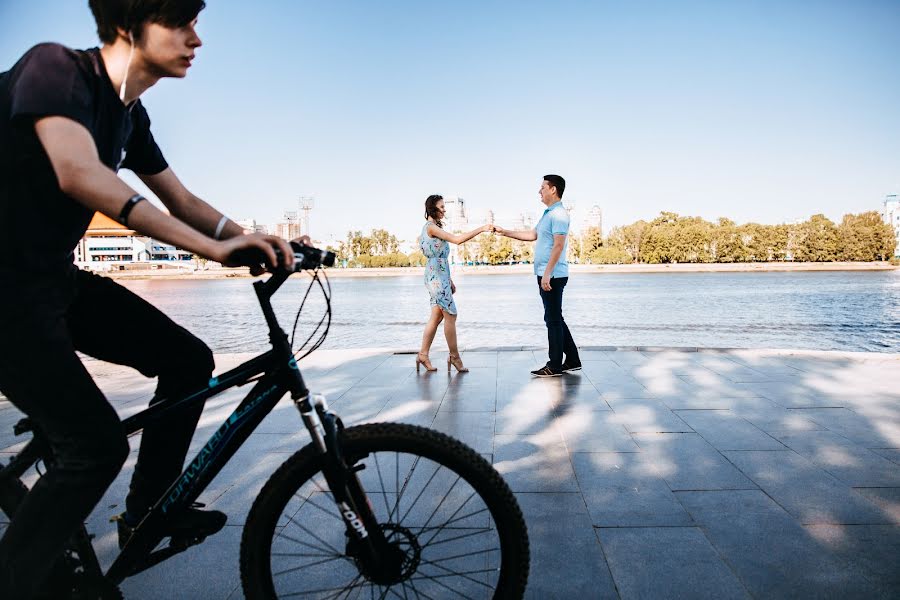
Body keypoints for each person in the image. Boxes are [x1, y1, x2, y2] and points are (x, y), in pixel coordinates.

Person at [0, 2, 300, 596]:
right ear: (129, 24)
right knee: (93, 447)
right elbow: (80, 174)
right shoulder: (55, 70)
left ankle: (146, 512)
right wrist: (208, 250)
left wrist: (257, 238)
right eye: (181, 23)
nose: (196, 39)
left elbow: (182, 201)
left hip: (51, 281)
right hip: (5, 295)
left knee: (187, 360)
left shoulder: (130, 117)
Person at [493, 175, 581, 377]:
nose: (539, 191)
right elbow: (532, 235)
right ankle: (573, 359)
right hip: (547, 274)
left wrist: (547, 274)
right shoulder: (548, 214)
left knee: (552, 319)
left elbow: (558, 245)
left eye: (542, 187)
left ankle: (555, 365)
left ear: (553, 189)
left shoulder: (559, 214)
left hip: (553, 275)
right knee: (555, 317)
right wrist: (504, 232)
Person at [417, 195, 491, 373]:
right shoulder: (431, 228)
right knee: (451, 315)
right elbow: (457, 240)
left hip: (438, 276)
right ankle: (454, 357)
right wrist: (481, 228)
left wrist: (449, 280)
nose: (444, 210)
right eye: (441, 207)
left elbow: (439, 258)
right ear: (432, 208)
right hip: (436, 277)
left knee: (437, 316)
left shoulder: (430, 228)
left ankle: (423, 354)